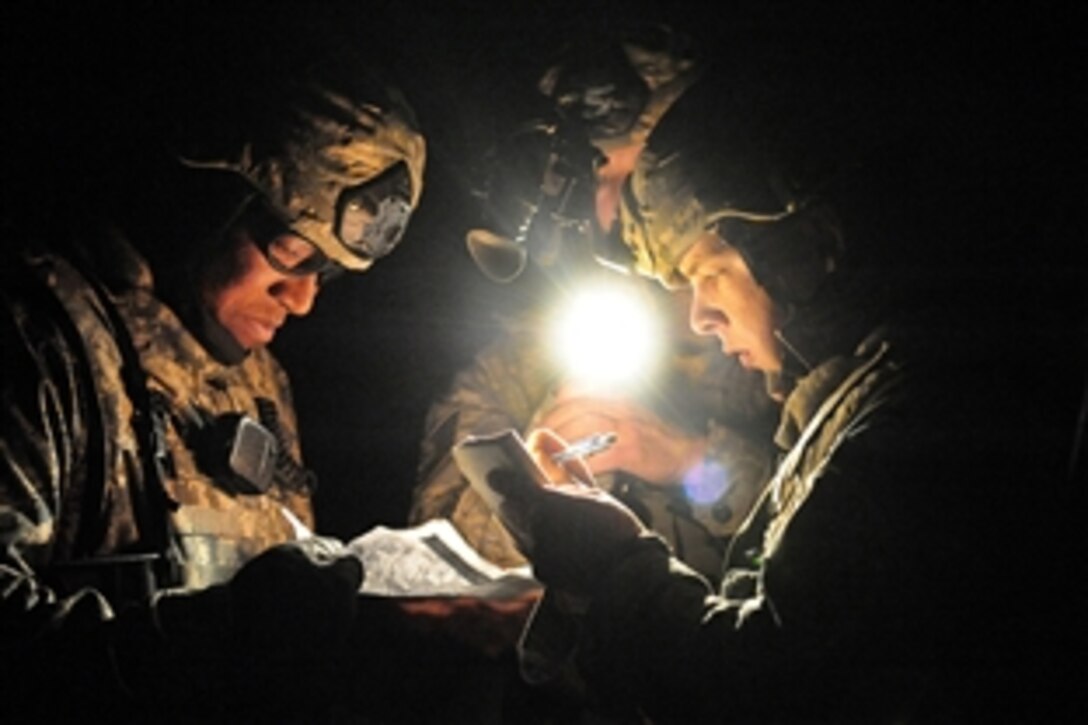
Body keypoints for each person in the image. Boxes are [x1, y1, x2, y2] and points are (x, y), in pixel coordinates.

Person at [482, 67, 1084, 723]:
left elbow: (763, 685)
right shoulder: (861, 396)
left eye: (710, 273)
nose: (699, 318)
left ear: (805, 250)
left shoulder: (921, 424)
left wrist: (615, 565)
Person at [0, 22, 426, 720]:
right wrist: (200, 644)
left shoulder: (261, 384)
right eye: (291, 253)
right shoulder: (44, 340)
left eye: (328, 273)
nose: (304, 299)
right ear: (201, 205)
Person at [410, 24, 777, 584]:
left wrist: (692, 459)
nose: (615, 210)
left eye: (643, 179)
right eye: (599, 173)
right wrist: (537, 483)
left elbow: (832, 544)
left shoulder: (775, 350)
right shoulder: (519, 365)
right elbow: (438, 567)